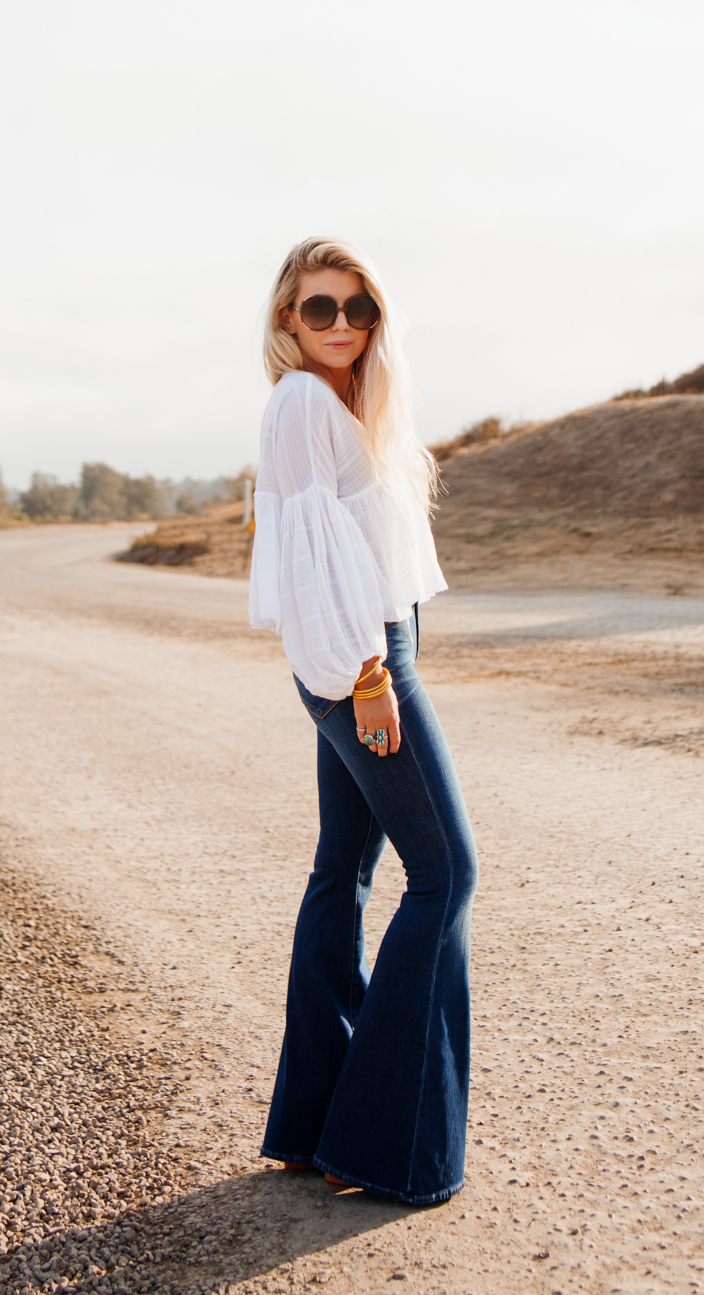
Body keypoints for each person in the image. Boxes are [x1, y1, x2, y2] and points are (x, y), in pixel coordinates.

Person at [249, 236, 479, 1207]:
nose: (342, 325)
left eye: (358, 308)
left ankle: (319, 1124)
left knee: (343, 870)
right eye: (320, 309)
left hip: (364, 650)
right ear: (286, 321)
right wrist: (373, 672)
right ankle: (391, 1145)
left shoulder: (354, 403)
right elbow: (317, 553)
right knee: (444, 874)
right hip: (362, 657)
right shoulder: (303, 400)